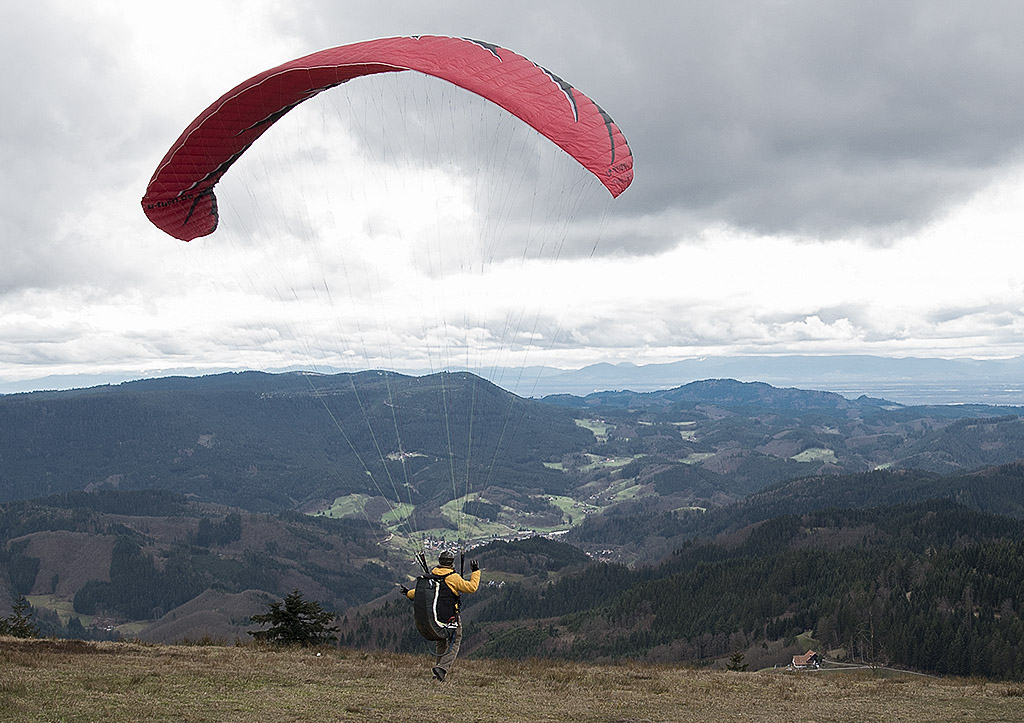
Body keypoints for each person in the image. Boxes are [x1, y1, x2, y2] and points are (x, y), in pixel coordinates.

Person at [401, 550, 480, 681]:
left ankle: (438, 673)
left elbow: (423, 592)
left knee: (441, 641)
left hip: (436, 617)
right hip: (450, 616)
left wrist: (408, 593)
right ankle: (442, 668)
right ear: (451, 563)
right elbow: (471, 587)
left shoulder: (432, 575)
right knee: (455, 640)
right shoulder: (453, 578)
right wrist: (475, 571)